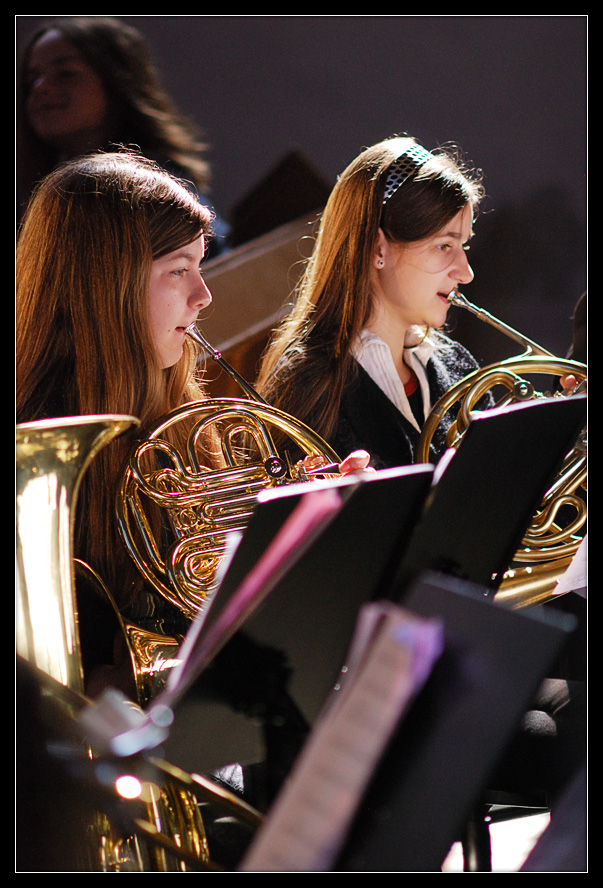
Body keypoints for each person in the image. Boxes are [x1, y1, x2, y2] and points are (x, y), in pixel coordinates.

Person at [16, 149, 370, 691]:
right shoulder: (34, 444)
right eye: (179, 270)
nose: (204, 296)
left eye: (200, 267)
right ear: (106, 283)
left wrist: (304, 527)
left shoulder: (183, 427)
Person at [256, 135, 488, 469]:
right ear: (378, 249)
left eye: (463, 246)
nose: (466, 273)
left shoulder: (459, 367)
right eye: (444, 246)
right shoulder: (307, 388)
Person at [17, 15, 229, 256]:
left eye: (65, 73)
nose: (41, 88)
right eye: (31, 80)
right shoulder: (40, 203)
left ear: (116, 82)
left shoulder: (154, 187)